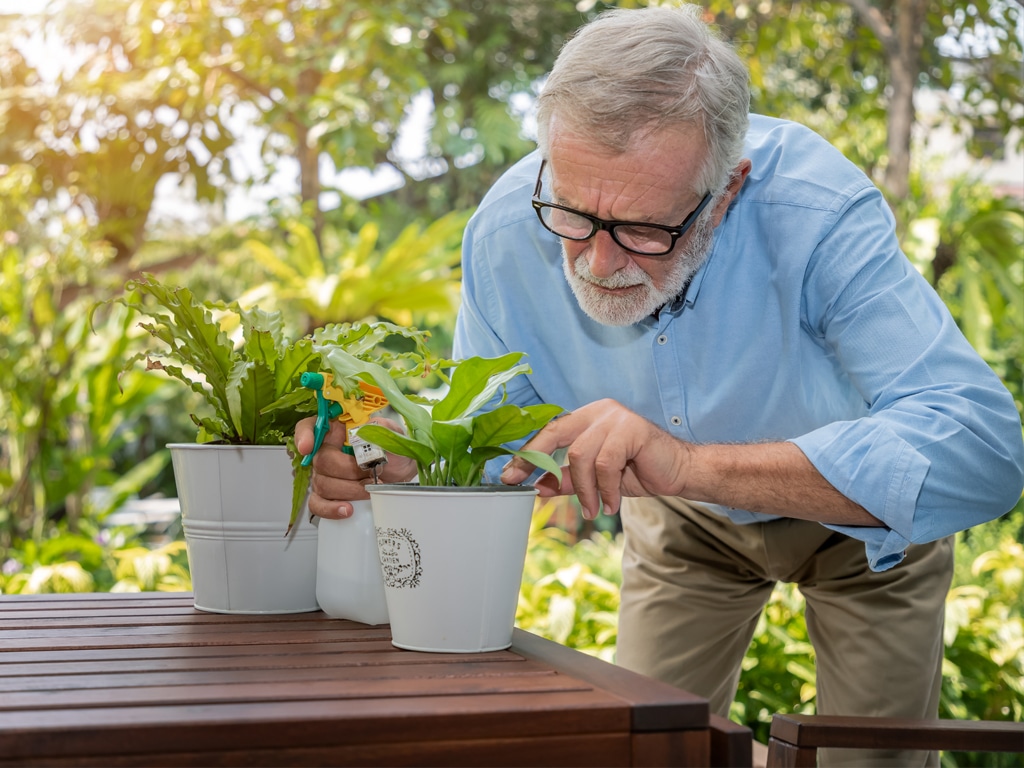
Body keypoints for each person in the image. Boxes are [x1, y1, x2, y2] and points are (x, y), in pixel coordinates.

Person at [297, 6, 1024, 765]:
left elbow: (984, 452)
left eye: (646, 230)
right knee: (643, 747)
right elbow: (496, 436)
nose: (599, 264)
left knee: (871, 759)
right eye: (574, 214)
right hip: (683, 521)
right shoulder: (508, 232)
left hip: (859, 523)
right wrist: (398, 464)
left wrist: (688, 464)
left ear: (728, 188)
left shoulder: (818, 213)